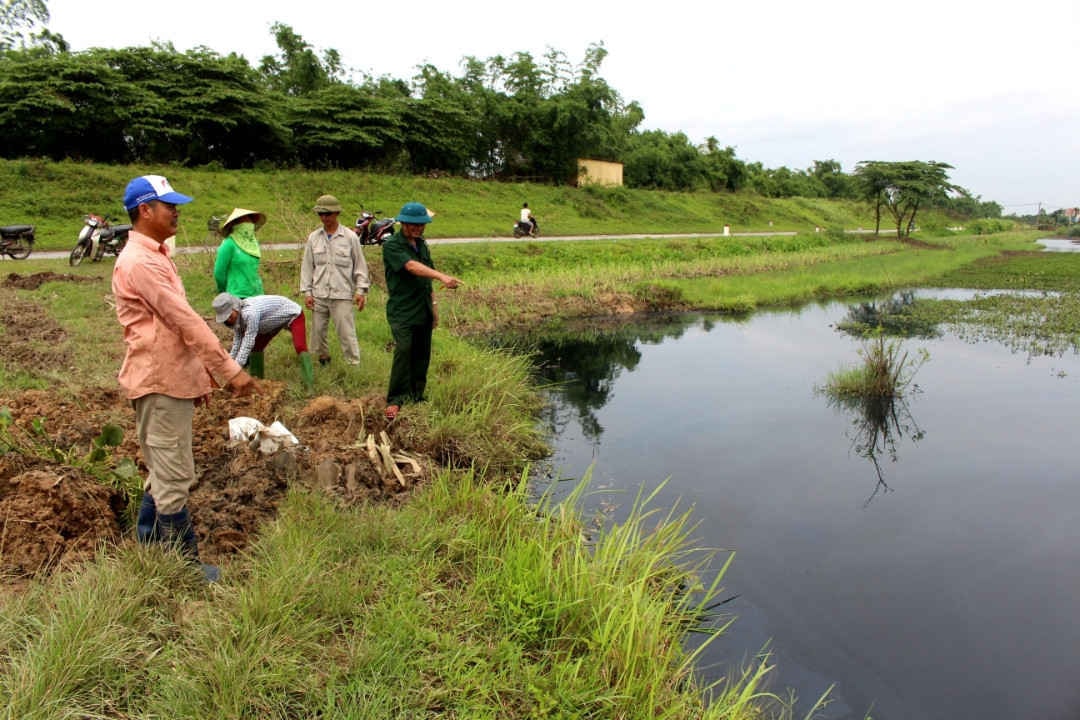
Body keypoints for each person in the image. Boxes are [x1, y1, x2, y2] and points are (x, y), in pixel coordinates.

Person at [112, 174, 257, 583]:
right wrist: (228, 370)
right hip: (158, 382)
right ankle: (184, 568)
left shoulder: (155, 255)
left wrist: (195, 381)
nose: (176, 212)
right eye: (168, 205)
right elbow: (183, 320)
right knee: (173, 475)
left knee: (165, 469)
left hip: (167, 379)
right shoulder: (141, 262)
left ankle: (149, 551)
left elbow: (170, 329)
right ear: (145, 210)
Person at [382, 201, 462, 421]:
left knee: (422, 354)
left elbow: (426, 282)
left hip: (423, 308)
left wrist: (434, 308)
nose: (416, 228)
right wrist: (441, 276)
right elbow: (411, 267)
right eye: (412, 225)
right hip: (402, 310)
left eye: (421, 225)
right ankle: (395, 399)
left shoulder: (422, 245)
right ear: (403, 223)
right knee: (404, 350)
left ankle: (417, 395)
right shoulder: (392, 245)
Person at [299, 194, 370, 366]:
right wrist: (307, 292)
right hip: (319, 294)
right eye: (321, 215)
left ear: (336, 213)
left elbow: (360, 266)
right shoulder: (314, 238)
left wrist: (361, 291)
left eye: (328, 214)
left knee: (346, 333)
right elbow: (307, 267)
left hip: (342, 294)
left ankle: (353, 365)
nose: (325, 218)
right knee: (317, 333)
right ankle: (322, 361)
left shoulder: (350, 238)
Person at [212, 292, 314, 391]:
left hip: (292, 314)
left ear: (235, 307)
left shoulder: (250, 313)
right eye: (226, 318)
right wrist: (230, 365)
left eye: (230, 315)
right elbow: (237, 342)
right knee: (256, 347)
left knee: (300, 346)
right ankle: (257, 381)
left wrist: (236, 369)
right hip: (270, 323)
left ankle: (309, 385)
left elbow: (248, 342)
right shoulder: (237, 319)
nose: (229, 320)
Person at [213, 207, 266, 299]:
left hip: (257, 294)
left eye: (250, 221)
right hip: (237, 296)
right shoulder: (229, 244)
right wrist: (223, 291)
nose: (248, 224)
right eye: (244, 221)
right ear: (236, 224)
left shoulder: (253, 243)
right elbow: (219, 272)